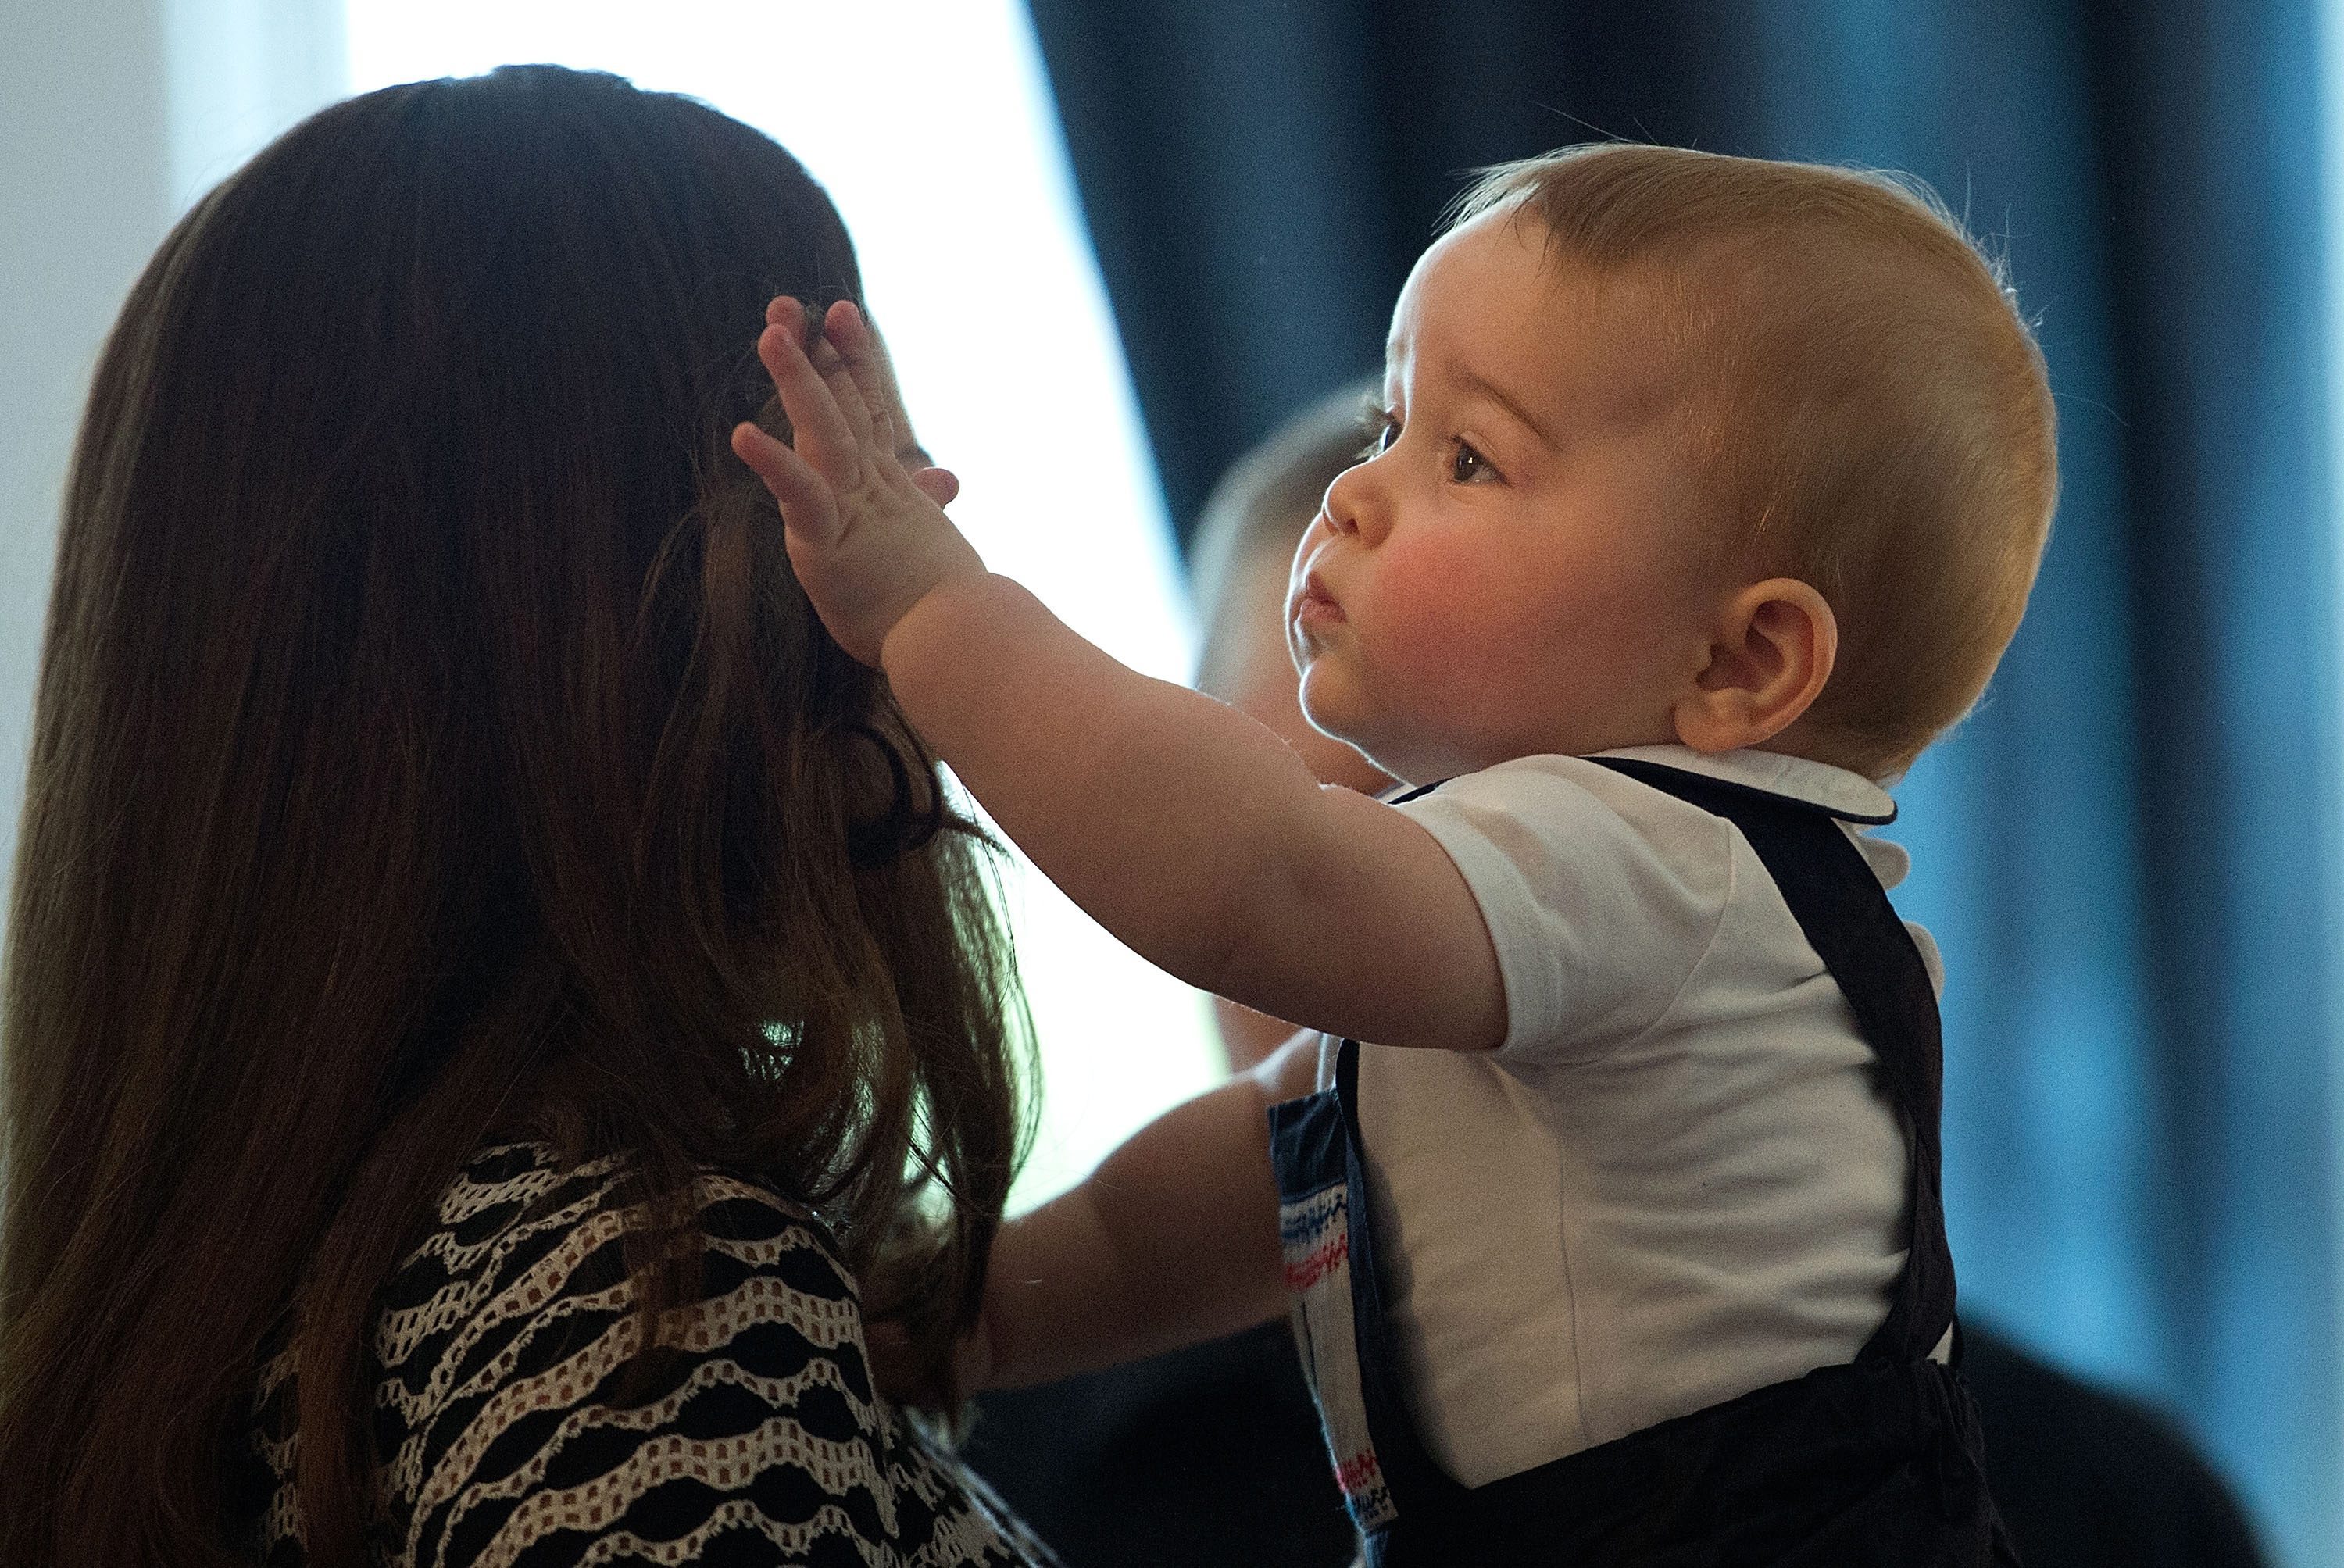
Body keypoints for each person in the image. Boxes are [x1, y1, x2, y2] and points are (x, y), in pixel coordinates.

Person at [734, 142, 2053, 1563]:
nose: (1355, 499)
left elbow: (1255, 880)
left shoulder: (1669, 866)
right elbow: (1252, 1185)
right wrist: (978, 1307)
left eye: (1469, 456)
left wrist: (932, 610)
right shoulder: (1547, 947)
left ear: (1740, 660)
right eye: (1387, 427)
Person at [0, 66, 1060, 1568]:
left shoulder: (272, 1343)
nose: (925, 516)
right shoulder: (652, 1317)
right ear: (656, 591)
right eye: (854, 457)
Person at [965, 383, 2271, 1568]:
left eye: (1450, 829)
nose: (1349, 936)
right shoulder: (994, 1461)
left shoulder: (2105, 1510)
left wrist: (930, 615)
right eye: (1295, 807)